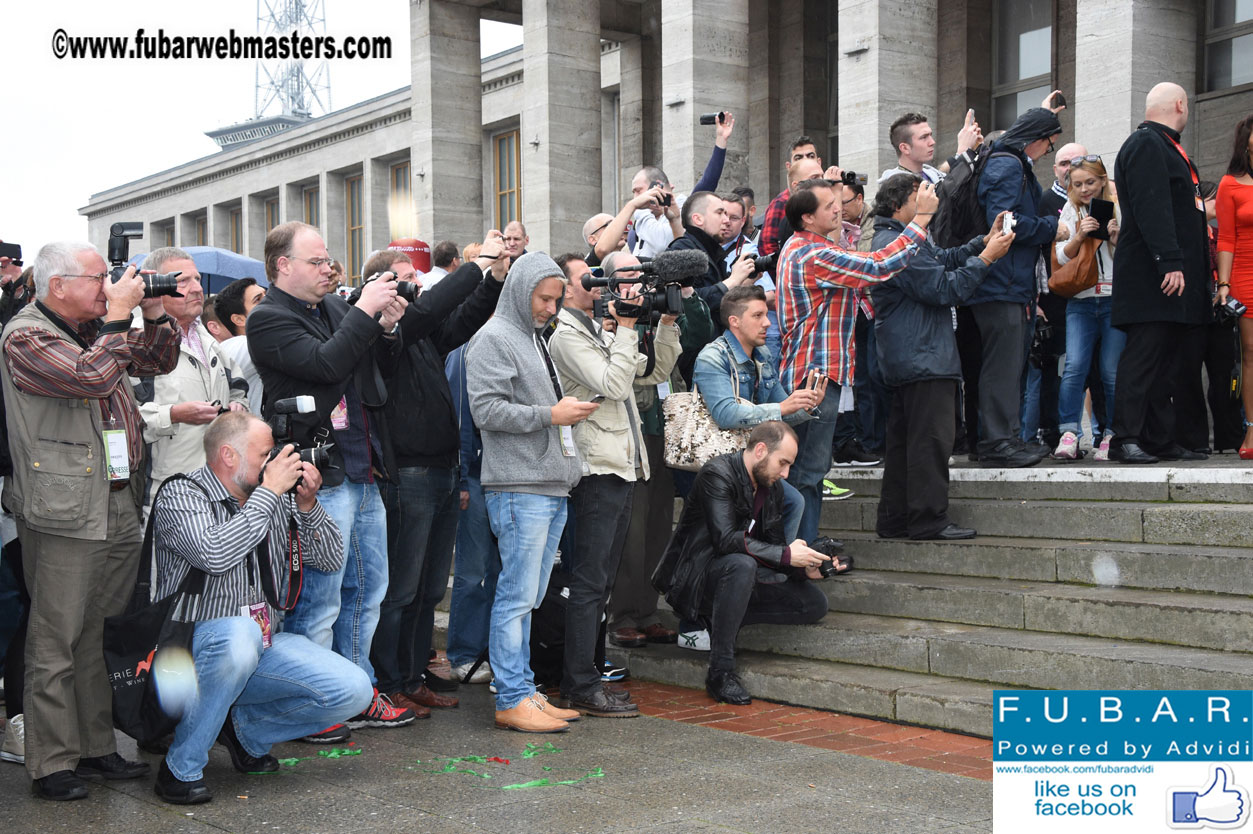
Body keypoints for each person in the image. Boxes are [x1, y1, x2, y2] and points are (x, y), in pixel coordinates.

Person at [1, 241, 180, 800]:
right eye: (99, 277)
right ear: (59, 285)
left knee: (100, 634)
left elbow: (156, 361)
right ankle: (52, 761)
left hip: (116, 500)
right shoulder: (25, 335)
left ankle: (97, 745)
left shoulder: (91, 329)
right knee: (55, 637)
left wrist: (152, 312)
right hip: (62, 508)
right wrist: (119, 316)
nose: (109, 285)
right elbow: (88, 379)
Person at [149, 412, 372, 804]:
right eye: (266, 454)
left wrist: (307, 506)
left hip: (261, 645)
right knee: (240, 634)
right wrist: (270, 495)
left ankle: (243, 730)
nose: (275, 463)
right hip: (184, 654)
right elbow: (214, 554)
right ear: (229, 456)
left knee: (355, 690)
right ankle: (179, 768)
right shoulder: (181, 495)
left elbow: (332, 559)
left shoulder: (267, 496)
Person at [246, 221, 414, 739]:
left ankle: (357, 690)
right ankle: (312, 700)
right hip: (316, 475)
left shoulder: (334, 309)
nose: (329, 269)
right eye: (316, 261)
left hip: (362, 463)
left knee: (369, 589)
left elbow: (373, 366)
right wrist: (363, 312)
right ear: (283, 265)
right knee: (320, 596)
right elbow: (325, 364)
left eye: (328, 260)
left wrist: (384, 325)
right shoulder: (268, 319)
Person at [369, 236, 505, 718]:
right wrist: (472, 265)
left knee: (428, 590)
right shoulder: (384, 334)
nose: (417, 286)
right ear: (379, 287)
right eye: (406, 279)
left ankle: (413, 674)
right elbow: (431, 310)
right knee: (401, 589)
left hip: (443, 471)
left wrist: (493, 279)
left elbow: (463, 320)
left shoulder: (422, 334)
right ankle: (389, 682)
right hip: (409, 473)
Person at [547, 254, 682, 717]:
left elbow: (655, 373)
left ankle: (587, 676)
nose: (607, 286)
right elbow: (615, 380)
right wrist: (624, 327)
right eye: (594, 279)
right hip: (595, 472)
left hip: (621, 466)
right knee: (589, 582)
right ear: (566, 289)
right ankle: (580, 683)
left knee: (600, 582)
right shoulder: (566, 336)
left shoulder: (597, 330)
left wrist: (664, 320)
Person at [465, 252, 590, 733]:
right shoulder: (495, 338)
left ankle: (524, 690)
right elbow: (487, 412)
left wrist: (558, 418)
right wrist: (551, 415)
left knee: (530, 595)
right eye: (544, 298)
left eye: (557, 299)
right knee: (517, 596)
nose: (551, 308)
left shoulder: (532, 338)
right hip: (519, 487)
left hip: (546, 484)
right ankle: (513, 696)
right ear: (520, 291)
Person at [777, 178, 938, 544]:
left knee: (807, 468)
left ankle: (804, 544)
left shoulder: (805, 246)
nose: (838, 208)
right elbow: (879, 265)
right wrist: (921, 220)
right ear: (807, 217)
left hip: (811, 373)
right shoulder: (812, 253)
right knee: (808, 469)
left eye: (838, 201)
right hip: (814, 378)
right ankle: (800, 548)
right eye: (829, 205)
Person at [870, 174, 1013, 540]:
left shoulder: (899, 239)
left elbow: (942, 260)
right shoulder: (899, 241)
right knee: (930, 442)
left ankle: (896, 519)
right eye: (922, 196)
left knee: (906, 443)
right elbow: (944, 287)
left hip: (914, 354)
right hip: (923, 355)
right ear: (900, 204)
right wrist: (985, 258)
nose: (930, 201)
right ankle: (928, 519)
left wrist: (982, 241)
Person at [652, 421, 830, 705]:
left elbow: (772, 550)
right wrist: (785, 554)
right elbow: (725, 540)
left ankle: (722, 621)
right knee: (741, 565)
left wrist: (803, 568)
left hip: (736, 579)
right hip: (695, 580)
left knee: (813, 604)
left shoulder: (772, 488)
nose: (785, 473)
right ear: (760, 450)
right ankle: (720, 672)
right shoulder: (717, 474)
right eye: (782, 463)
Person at [608, 250, 715, 652]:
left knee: (657, 526)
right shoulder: (612, 320)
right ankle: (622, 615)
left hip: (667, 430)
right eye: (626, 277)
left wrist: (682, 292)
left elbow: (700, 335)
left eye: (641, 277)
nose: (637, 284)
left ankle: (647, 612)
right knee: (631, 530)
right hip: (630, 431)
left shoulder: (659, 310)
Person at [1110, 83, 1212, 464]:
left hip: (1172, 280)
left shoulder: (1168, 148)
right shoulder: (1146, 144)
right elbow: (1152, 206)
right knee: (1143, 358)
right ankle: (1126, 438)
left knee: (1166, 363)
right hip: (1152, 277)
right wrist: (1169, 260)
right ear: (1181, 105)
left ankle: (1157, 438)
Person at [967, 106, 1063, 467]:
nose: (1047, 153)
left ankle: (1006, 438)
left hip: (1007, 282)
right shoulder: (1007, 164)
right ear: (1038, 140)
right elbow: (1004, 221)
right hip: (1000, 283)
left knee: (1008, 366)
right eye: (1049, 146)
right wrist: (1050, 228)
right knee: (1002, 367)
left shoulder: (1006, 160)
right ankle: (997, 443)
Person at [692, 284, 819, 545]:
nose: (767, 323)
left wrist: (804, 406)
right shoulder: (712, 356)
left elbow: (779, 415)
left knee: (793, 501)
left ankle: (777, 569)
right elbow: (726, 414)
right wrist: (783, 408)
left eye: (766, 315)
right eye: (758, 316)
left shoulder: (762, 354)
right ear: (734, 321)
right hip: (715, 463)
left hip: (752, 460)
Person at [135, 248, 249, 514]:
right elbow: (117, 420)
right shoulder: (134, 339)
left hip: (221, 487)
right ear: (156, 286)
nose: (197, 288)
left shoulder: (211, 341)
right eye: (182, 281)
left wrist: (238, 409)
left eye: (197, 279)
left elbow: (239, 388)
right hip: (166, 493)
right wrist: (174, 415)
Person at [1051, 157, 1124, 461]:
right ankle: (1069, 433)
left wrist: (1117, 239)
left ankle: (1111, 433)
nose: (1084, 189)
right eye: (1077, 184)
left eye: (1090, 183)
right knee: (1074, 368)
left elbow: (1133, 260)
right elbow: (1059, 257)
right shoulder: (1071, 210)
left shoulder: (1119, 207)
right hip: (1080, 301)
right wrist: (1079, 235)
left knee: (1111, 372)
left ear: (1103, 180)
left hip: (1113, 299)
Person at [629, 113, 736, 258]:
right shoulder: (636, 228)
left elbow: (708, 181)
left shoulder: (684, 207)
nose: (635, 198)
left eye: (638, 191)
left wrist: (721, 141)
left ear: (658, 186)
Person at [1216, 116, 1253, 458]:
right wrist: (1224, 284)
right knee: (1250, 353)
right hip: (1245, 272)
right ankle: (1252, 433)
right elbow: (1226, 237)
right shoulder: (1230, 183)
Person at [877, 110, 983, 185]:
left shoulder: (929, 172)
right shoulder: (897, 186)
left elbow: (945, 175)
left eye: (930, 135)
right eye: (924, 137)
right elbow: (944, 201)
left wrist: (972, 150)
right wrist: (962, 153)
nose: (932, 142)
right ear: (905, 148)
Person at [214, 277, 267, 415]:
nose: (270, 301)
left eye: (266, 295)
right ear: (239, 319)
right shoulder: (237, 346)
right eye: (258, 300)